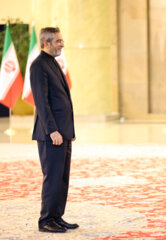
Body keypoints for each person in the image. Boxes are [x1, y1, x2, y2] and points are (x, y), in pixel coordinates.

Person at [30, 27, 78, 233]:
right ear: (46, 43)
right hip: (52, 134)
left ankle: (57, 216)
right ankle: (46, 220)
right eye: (58, 41)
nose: (62, 44)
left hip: (63, 132)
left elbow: (62, 100)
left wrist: (69, 130)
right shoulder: (38, 66)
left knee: (62, 177)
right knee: (52, 177)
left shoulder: (53, 63)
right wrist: (53, 131)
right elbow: (42, 102)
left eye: (62, 40)